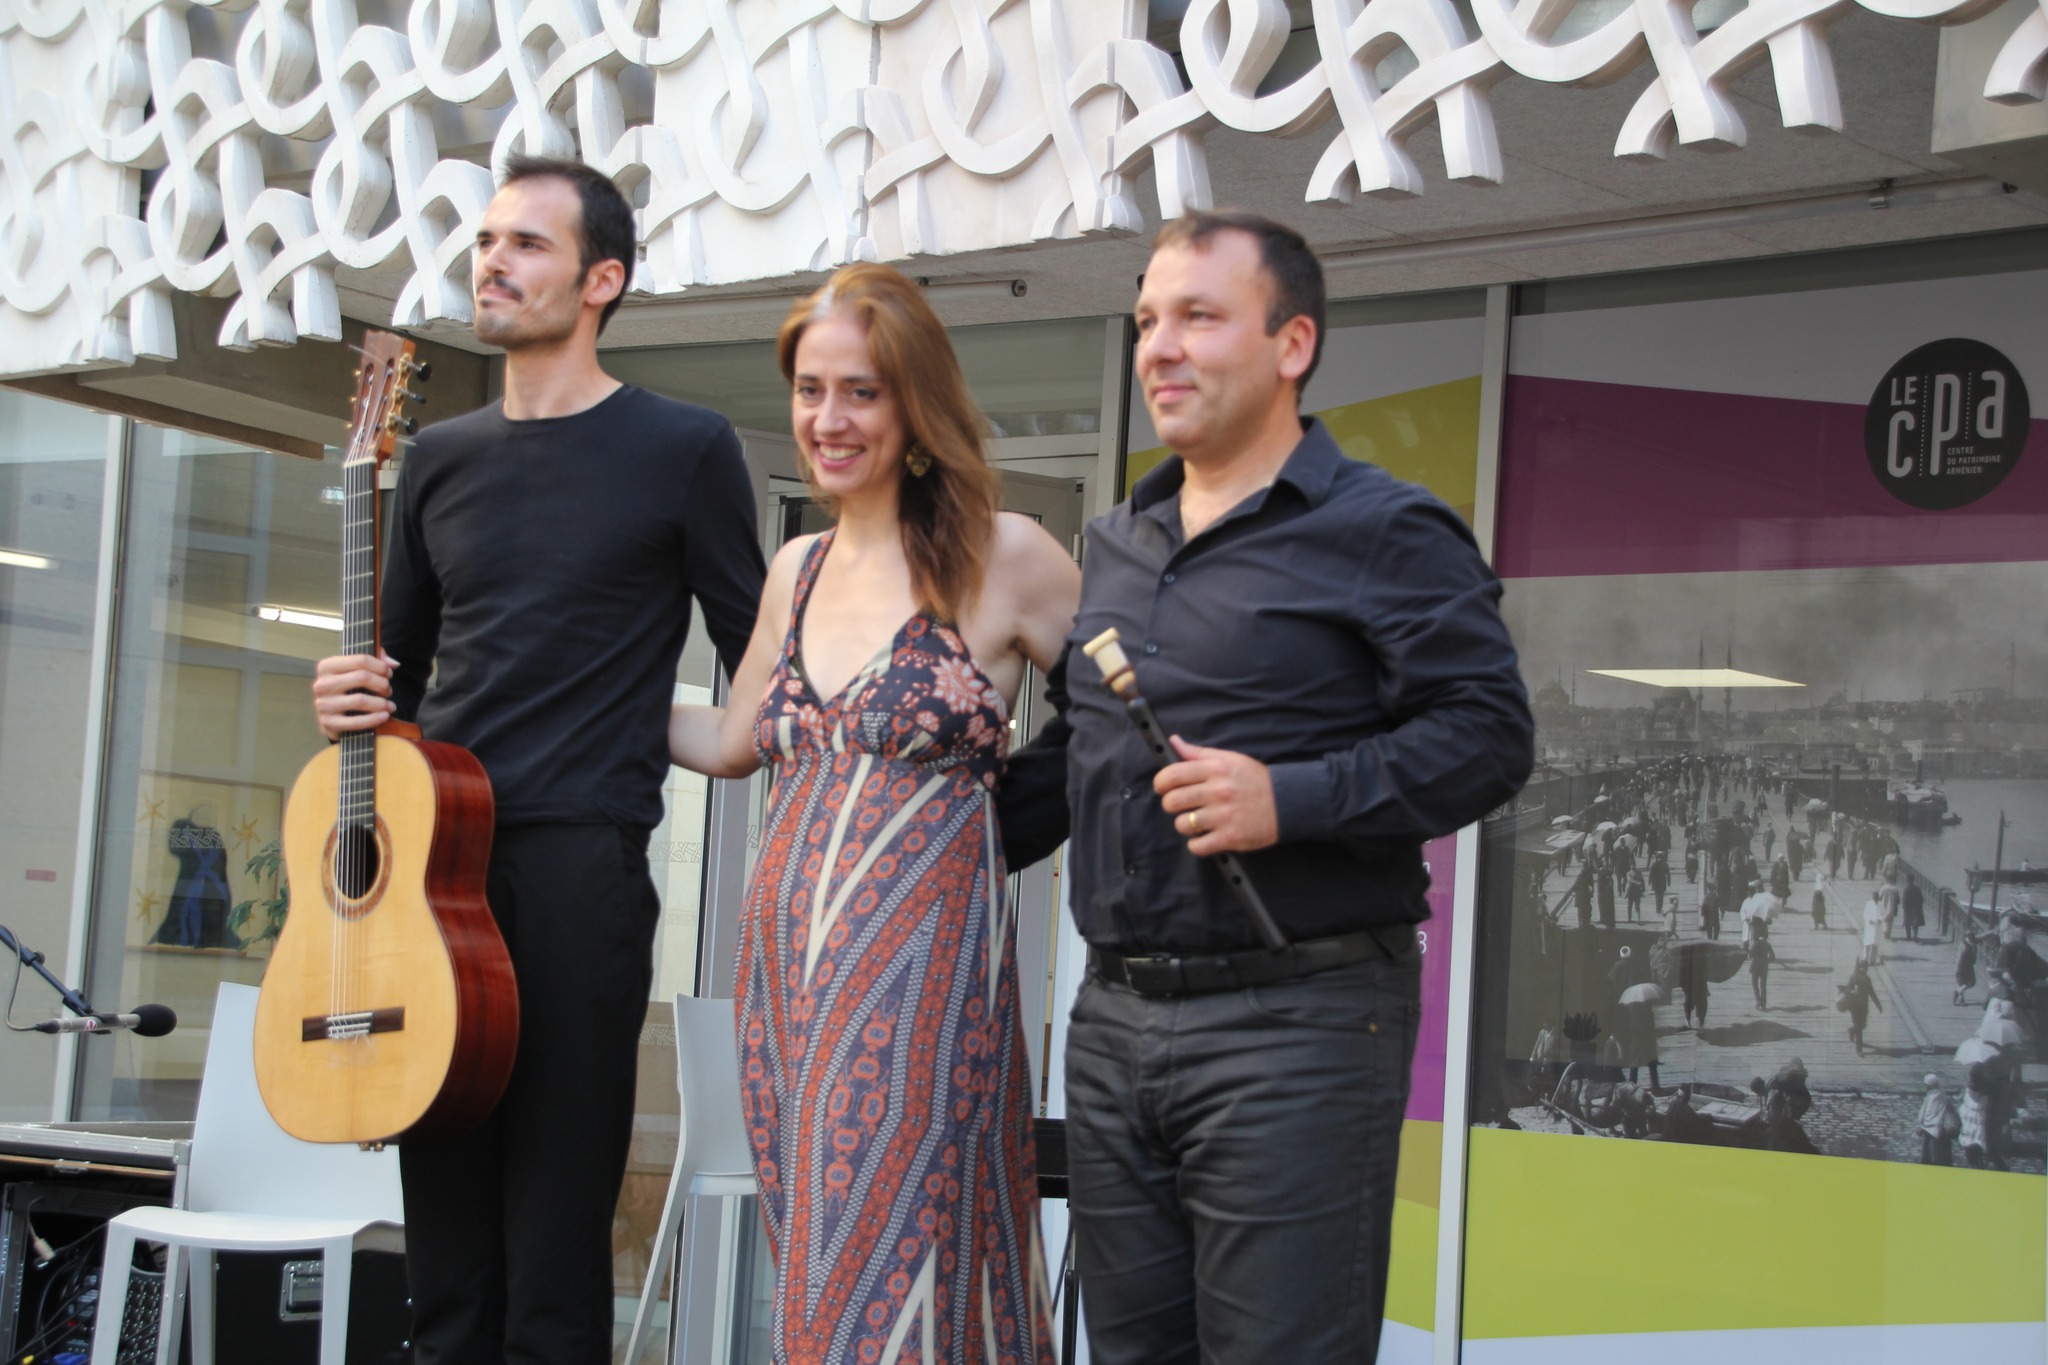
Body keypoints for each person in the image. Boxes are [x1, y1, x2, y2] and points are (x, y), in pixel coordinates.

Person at [1049, 210, 1533, 1365]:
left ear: (1291, 344)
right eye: (1145, 322)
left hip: (1297, 1029)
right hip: (1111, 1023)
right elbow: (1079, 751)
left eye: (1198, 317)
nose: (1158, 347)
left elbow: (1489, 736)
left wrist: (1292, 798)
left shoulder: (1384, 529)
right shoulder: (1116, 541)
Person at [309, 156, 768, 1363]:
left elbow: (757, 652)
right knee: (446, 1253)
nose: (492, 263)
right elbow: (391, 673)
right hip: (427, 874)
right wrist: (341, 687)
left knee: (556, 1245)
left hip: (579, 869)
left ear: (601, 280)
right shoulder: (442, 460)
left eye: (527, 245)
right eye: (486, 240)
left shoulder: (683, 446)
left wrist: (650, 722)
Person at [666, 264, 1076, 1363]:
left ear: (916, 405)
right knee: (818, 1250)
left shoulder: (1011, 553)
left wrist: (997, 824)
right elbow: (731, 740)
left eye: (860, 391)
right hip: (784, 976)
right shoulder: (794, 568)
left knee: (895, 1257)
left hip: (921, 974)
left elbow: (1117, 726)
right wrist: (574, 698)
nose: (827, 420)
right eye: (809, 390)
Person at [1839, 961, 1882, 1055]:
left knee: (1862, 1026)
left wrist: (1878, 1005)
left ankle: (1851, 1030)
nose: (1864, 969)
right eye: (1862, 967)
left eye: (1866, 968)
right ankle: (1859, 1050)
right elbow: (1848, 989)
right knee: (1859, 1028)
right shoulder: (1854, 978)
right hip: (1854, 1006)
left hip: (1863, 1007)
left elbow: (1872, 993)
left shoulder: (1867, 979)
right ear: (1859, 968)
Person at [1917, 1074, 1959, 1166]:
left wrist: (1920, 1126)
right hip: (1943, 1132)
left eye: (1926, 1085)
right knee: (1943, 1157)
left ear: (1930, 1085)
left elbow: (1927, 1115)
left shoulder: (1932, 1097)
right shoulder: (1943, 1095)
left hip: (1933, 1134)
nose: (1925, 1087)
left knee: (1933, 1157)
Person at [1862, 891, 1885, 966]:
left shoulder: (1881, 905)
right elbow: (1865, 914)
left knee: (1875, 945)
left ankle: (1873, 960)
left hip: (1877, 926)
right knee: (1867, 944)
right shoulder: (1869, 904)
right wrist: (1869, 920)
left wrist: (1880, 919)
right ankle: (1865, 959)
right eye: (1874, 898)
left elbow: (1882, 915)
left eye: (1877, 899)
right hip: (1869, 926)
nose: (1876, 900)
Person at [1956, 932, 1979, 1005]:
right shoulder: (1970, 946)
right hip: (1966, 966)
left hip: (1959, 964)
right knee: (1971, 982)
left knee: (1961, 982)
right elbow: (1971, 958)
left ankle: (1961, 999)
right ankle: (1958, 992)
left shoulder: (1963, 943)